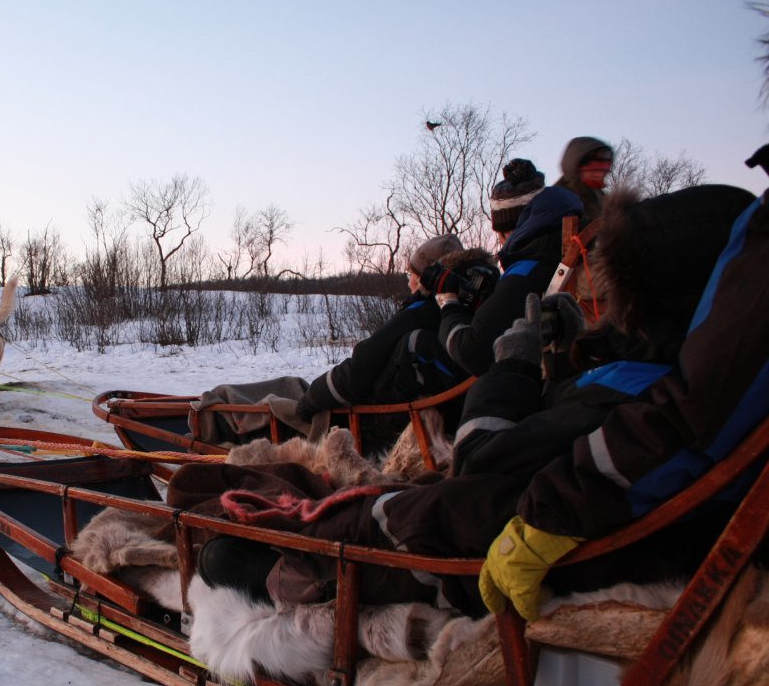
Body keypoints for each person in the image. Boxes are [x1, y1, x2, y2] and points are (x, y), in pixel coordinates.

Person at [181, 181, 763, 621]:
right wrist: (580, 349)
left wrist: (510, 365)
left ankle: (304, 569)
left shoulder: (638, 407)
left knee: (234, 538)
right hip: (476, 465)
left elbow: (477, 454)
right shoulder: (674, 380)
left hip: (448, 508)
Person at [288, 234, 495, 447]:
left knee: (298, 405)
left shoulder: (423, 311)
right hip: (455, 415)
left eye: (410, 274)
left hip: (391, 429)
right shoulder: (474, 306)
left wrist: (309, 402)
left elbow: (361, 367)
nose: (408, 282)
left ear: (424, 278)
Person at [436, 159, 582, 376]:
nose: (499, 241)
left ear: (511, 228)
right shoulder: (566, 248)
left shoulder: (527, 270)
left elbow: (472, 352)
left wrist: (448, 303)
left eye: (500, 232)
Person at [556, 136, 614, 226]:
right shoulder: (557, 198)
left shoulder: (604, 200)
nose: (599, 175)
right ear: (576, 168)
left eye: (603, 171)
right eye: (594, 171)